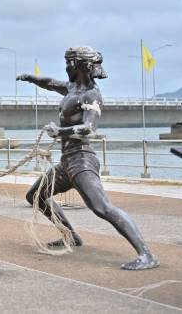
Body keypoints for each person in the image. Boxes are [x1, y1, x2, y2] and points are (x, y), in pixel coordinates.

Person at [17, 46, 159, 270]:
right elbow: (50, 83)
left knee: (103, 208)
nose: (66, 67)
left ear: (79, 65)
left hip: (81, 161)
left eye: (69, 62)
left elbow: (89, 128)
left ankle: (147, 255)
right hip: (66, 162)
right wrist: (31, 78)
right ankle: (70, 236)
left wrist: (59, 132)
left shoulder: (91, 95)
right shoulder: (71, 88)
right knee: (36, 195)